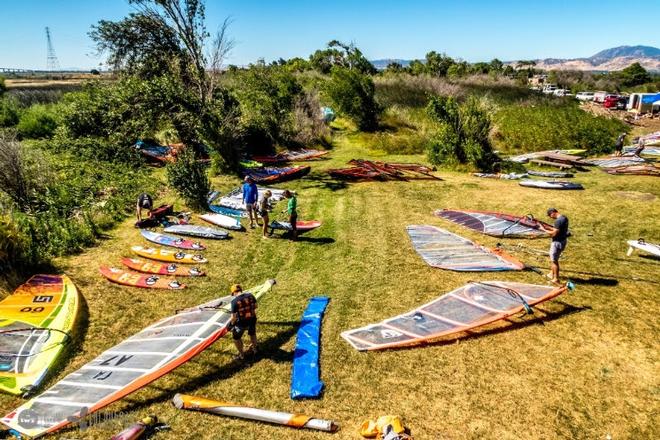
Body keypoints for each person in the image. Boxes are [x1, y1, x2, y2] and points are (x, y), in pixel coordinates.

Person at [229, 284, 258, 360]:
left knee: (236, 338)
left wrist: (231, 325)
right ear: (241, 290)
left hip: (241, 323)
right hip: (252, 320)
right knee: (252, 334)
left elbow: (233, 317)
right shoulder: (250, 295)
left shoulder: (234, 302)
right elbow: (255, 306)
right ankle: (255, 350)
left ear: (234, 292)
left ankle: (242, 355)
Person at [540, 208, 569, 284]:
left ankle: (556, 278)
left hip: (557, 242)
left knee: (554, 261)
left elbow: (553, 234)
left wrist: (543, 229)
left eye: (550, 215)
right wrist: (548, 227)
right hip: (563, 241)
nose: (550, 217)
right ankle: (551, 273)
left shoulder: (558, 221)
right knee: (555, 258)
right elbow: (557, 229)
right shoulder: (564, 218)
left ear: (553, 213)